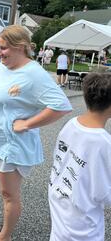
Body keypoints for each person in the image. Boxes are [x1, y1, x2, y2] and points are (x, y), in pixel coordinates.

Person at [0, 25, 72, 241]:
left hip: (10, 144)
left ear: (21, 47)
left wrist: (27, 124)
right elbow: (2, 91)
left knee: (9, 194)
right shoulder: (4, 67)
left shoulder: (34, 73)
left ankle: (5, 235)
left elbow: (61, 106)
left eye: (3, 48)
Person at [49, 73, 111, 241]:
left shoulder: (71, 124)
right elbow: (103, 192)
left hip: (60, 209)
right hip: (83, 226)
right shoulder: (103, 143)